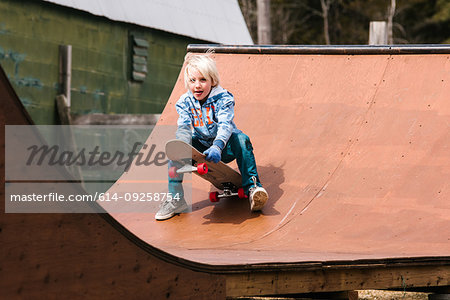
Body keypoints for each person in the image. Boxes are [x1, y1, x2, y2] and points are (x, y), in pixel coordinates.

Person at [155, 52, 268, 221]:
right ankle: (176, 199)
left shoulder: (224, 98)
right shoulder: (185, 102)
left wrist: (217, 145)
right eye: (193, 81)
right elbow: (184, 127)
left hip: (226, 146)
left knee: (242, 140)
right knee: (176, 150)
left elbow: (225, 125)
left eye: (202, 80)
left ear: (212, 81)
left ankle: (253, 188)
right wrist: (183, 146)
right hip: (201, 143)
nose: (197, 86)